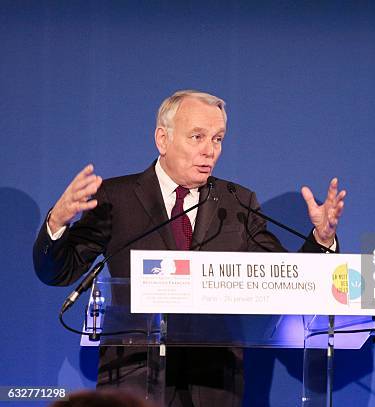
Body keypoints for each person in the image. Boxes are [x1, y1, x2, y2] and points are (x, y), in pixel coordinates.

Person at [33, 90, 346, 406]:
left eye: (217, 139)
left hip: (214, 383)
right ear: (163, 139)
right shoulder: (117, 197)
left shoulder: (237, 202)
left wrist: (321, 241)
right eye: (197, 137)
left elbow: (285, 280)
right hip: (133, 377)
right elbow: (59, 271)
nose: (209, 150)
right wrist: (58, 222)